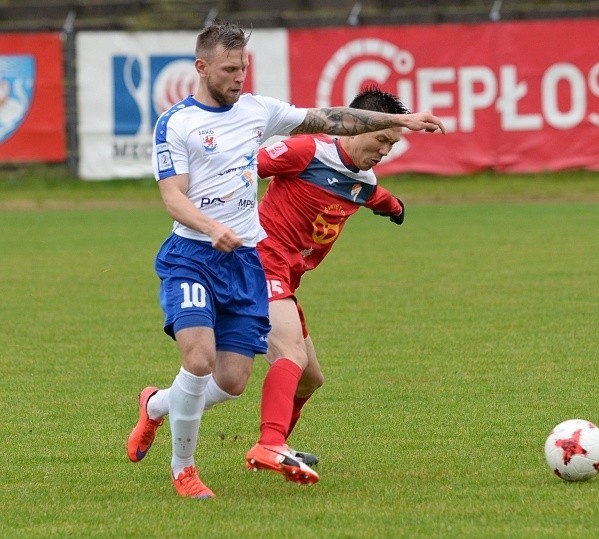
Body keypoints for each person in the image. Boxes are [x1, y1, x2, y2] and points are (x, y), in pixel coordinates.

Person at [126, 20, 445, 499]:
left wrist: (399, 125)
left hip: (246, 264)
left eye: (244, 68)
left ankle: (156, 407)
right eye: (231, 68)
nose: (239, 77)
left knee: (238, 381)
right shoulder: (178, 122)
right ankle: (194, 468)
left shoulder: (259, 111)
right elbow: (177, 194)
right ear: (202, 67)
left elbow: (335, 126)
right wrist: (214, 225)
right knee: (201, 359)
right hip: (200, 254)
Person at [244, 86, 409, 483]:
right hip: (260, 263)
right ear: (354, 126)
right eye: (381, 138)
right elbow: (247, 168)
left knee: (310, 378)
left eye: (391, 143)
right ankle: (269, 444)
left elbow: (372, 194)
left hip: (287, 276)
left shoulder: (364, 178)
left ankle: (275, 442)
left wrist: (395, 208)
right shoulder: (306, 151)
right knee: (290, 354)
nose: (385, 150)